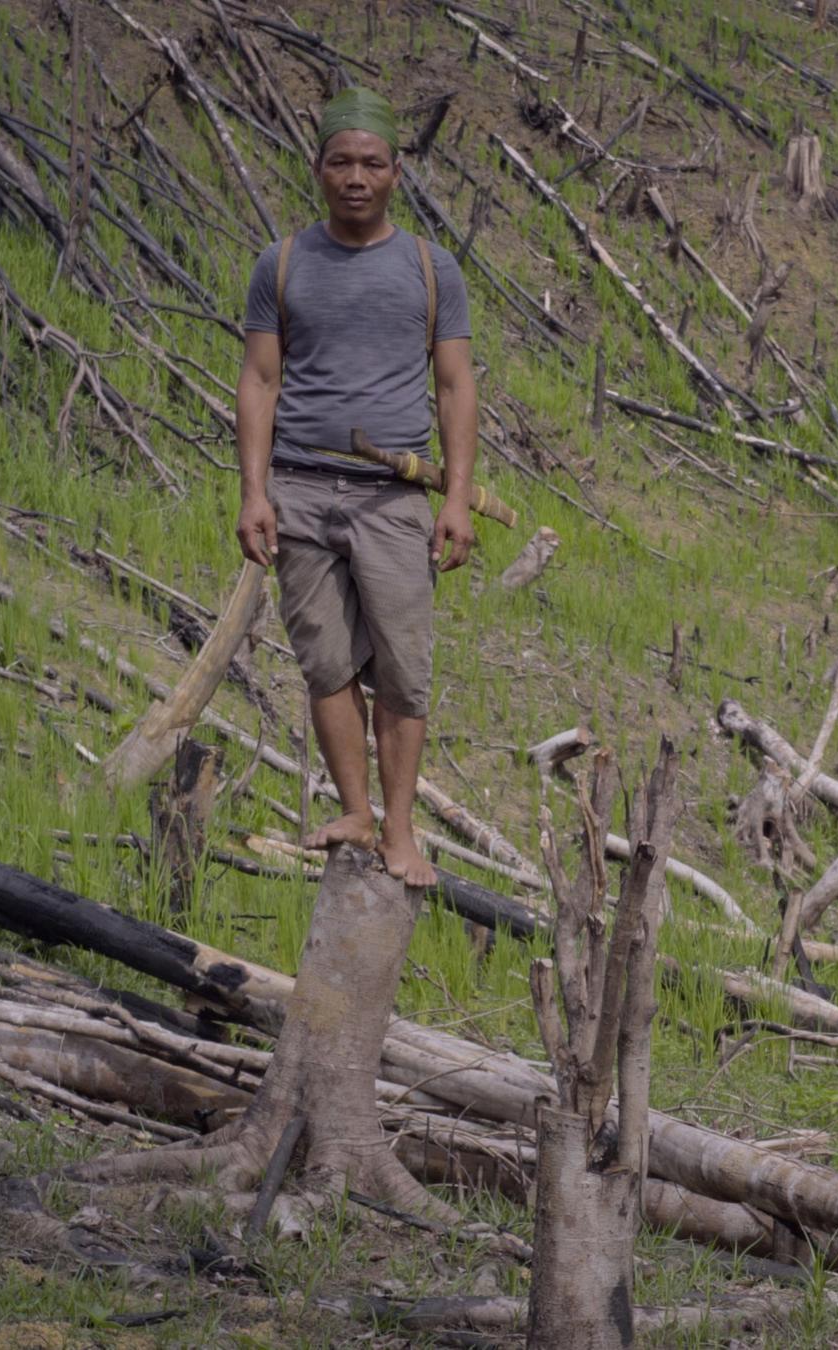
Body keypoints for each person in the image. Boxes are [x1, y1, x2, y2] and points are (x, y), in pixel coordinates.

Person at [235, 89, 476, 886]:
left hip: (393, 498)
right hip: (300, 492)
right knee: (326, 662)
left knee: (404, 668)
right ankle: (356, 811)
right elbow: (260, 380)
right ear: (318, 169)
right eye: (341, 161)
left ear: (397, 173)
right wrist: (254, 493)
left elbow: (454, 388)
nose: (356, 177)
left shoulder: (430, 270)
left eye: (372, 163)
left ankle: (400, 831)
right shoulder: (282, 264)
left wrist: (455, 500)